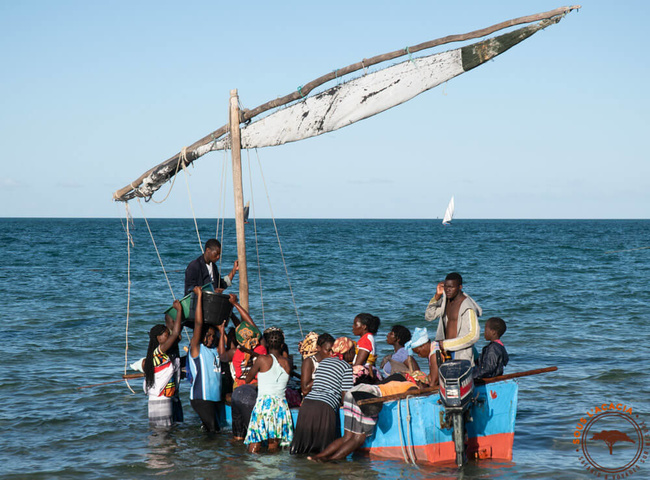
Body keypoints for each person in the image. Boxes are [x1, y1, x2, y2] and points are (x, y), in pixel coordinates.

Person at [311, 378, 419, 462]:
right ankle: (331, 460)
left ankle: (318, 457)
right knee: (359, 438)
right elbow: (412, 393)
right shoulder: (413, 386)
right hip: (368, 395)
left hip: (353, 392)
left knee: (347, 437)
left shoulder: (398, 382)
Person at [290, 337, 355, 455]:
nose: (355, 354)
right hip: (324, 408)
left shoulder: (324, 362)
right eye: (353, 350)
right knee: (322, 450)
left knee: (302, 449)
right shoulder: (346, 367)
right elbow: (346, 395)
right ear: (348, 352)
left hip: (307, 406)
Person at [244, 329, 294, 453]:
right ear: (282, 345)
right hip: (280, 406)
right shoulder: (288, 363)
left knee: (255, 439)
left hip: (263, 405)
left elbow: (248, 379)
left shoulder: (262, 360)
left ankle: (254, 466)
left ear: (266, 344)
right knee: (274, 445)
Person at [188, 286, 227, 432]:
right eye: (208, 335)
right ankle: (205, 454)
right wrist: (198, 297)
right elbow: (198, 324)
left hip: (215, 398)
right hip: (202, 398)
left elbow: (224, 353)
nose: (211, 339)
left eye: (213, 336)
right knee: (214, 431)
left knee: (211, 431)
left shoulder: (215, 350)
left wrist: (221, 332)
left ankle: (206, 454)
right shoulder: (197, 348)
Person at [229, 295, 267, 440]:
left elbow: (244, 329)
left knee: (238, 437)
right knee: (255, 437)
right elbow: (251, 325)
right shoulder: (261, 350)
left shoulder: (236, 353)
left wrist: (231, 312)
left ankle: (235, 460)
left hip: (237, 393)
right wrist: (236, 304)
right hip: (251, 394)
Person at [424, 272, 482, 365]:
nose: (448, 290)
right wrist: (437, 296)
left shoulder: (467, 307)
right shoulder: (446, 301)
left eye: (451, 287)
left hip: (460, 353)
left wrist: (447, 344)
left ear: (460, 287)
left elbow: (474, 335)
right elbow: (429, 316)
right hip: (446, 352)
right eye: (446, 287)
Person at [143, 300, 183, 428]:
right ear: (159, 338)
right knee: (164, 437)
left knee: (161, 438)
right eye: (166, 335)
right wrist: (179, 310)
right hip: (161, 400)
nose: (169, 337)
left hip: (158, 399)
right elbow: (176, 333)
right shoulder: (158, 351)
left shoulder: (156, 355)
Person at [300, 332, 335, 397]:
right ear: (318, 348)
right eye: (328, 350)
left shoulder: (333, 361)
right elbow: (305, 390)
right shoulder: (309, 362)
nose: (331, 354)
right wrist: (324, 374)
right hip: (313, 399)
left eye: (332, 351)